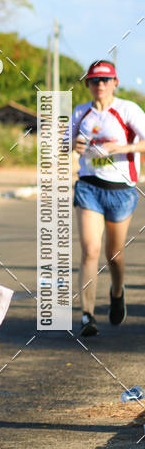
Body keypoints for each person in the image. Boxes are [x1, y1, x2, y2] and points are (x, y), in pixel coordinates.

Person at [71, 60, 145, 337]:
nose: (99, 85)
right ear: (87, 84)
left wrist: (121, 148)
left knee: (113, 255)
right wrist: (74, 144)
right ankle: (87, 315)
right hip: (89, 185)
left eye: (105, 80)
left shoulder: (127, 109)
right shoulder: (81, 112)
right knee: (90, 249)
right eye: (94, 80)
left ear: (115, 82)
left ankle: (116, 291)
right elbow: (64, 143)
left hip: (121, 189)